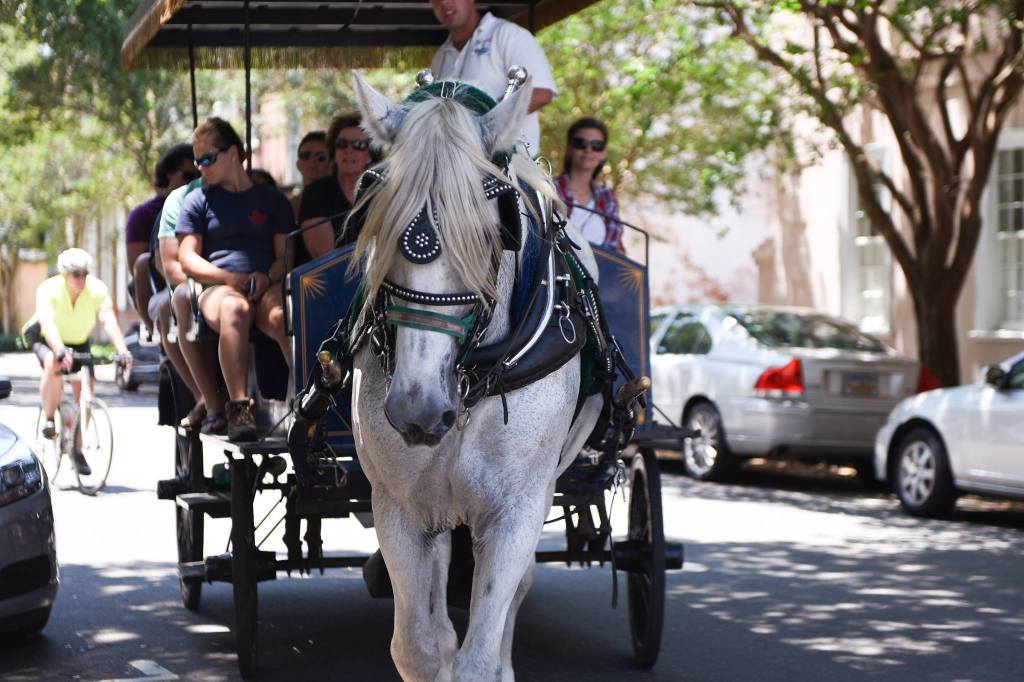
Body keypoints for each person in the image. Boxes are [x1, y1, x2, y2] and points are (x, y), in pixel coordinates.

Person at [175, 117, 294, 441]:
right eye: (197, 160)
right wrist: (230, 278)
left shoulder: (272, 200)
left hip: (264, 282)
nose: (201, 167)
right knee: (235, 312)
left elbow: (285, 255)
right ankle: (239, 409)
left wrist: (265, 277)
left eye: (208, 158)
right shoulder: (197, 201)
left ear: (233, 153)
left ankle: (307, 402)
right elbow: (187, 258)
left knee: (286, 315)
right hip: (219, 288)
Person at [22, 248, 132, 475]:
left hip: (79, 340)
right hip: (45, 336)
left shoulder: (97, 289)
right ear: (64, 274)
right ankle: (50, 419)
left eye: (85, 273)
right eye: (76, 274)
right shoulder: (48, 289)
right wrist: (60, 350)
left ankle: (76, 449)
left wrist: (122, 351)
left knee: (87, 389)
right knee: (53, 362)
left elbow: (108, 320)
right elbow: (48, 323)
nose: (81, 279)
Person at [430, 0, 557, 156]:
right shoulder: (440, 56)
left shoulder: (509, 34)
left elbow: (542, 92)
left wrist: (484, 119)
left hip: (513, 167)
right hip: (459, 166)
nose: (444, 2)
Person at [129, 144, 198, 334]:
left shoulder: (205, 202)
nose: (195, 182)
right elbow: (149, 265)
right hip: (167, 282)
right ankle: (162, 347)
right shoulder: (145, 215)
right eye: (188, 176)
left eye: (199, 176)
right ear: (169, 175)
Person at [295, 113, 375, 265]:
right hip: (329, 279)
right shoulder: (316, 193)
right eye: (342, 144)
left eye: (358, 145)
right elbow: (327, 259)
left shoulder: (381, 191)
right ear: (334, 151)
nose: (348, 150)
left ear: (370, 155)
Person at [555, 117, 624, 252]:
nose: (588, 149)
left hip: (601, 271)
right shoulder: (549, 188)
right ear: (569, 149)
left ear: (604, 153)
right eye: (580, 143)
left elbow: (616, 249)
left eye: (597, 145)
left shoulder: (608, 197)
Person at [289, 131, 331, 217]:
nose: (312, 162)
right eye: (305, 156)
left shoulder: (340, 205)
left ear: (333, 164)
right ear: (298, 164)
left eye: (321, 157)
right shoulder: (287, 206)